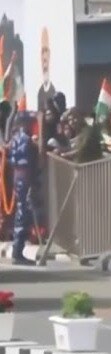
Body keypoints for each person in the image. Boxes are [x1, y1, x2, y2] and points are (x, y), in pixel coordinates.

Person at [5, 113, 38, 265]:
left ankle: (18, 250)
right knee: (23, 211)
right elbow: (27, 161)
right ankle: (18, 251)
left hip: (18, 175)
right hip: (24, 175)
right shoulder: (25, 140)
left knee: (22, 210)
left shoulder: (15, 139)